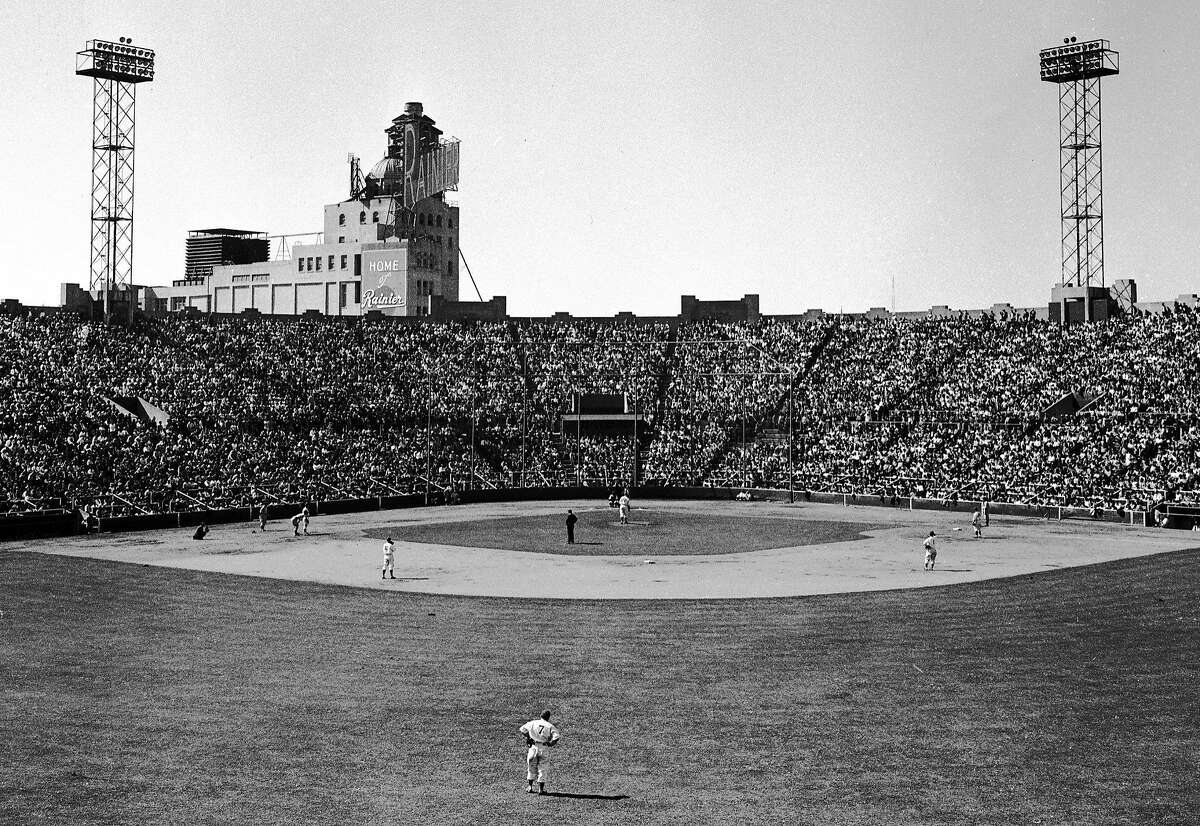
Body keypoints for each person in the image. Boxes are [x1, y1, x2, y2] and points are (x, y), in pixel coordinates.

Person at [519, 710, 561, 795]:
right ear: (548, 717)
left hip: (533, 747)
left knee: (531, 766)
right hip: (543, 748)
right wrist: (550, 743)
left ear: (540, 715)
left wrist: (529, 738)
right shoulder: (550, 726)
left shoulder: (533, 722)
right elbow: (556, 737)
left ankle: (530, 787)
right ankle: (541, 790)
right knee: (543, 768)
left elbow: (522, 729)